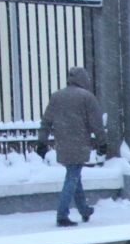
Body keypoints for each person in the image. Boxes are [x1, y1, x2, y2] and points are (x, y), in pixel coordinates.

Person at [37, 67, 104, 228]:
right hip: (80, 143)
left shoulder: (56, 97)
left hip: (63, 143)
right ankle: (62, 214)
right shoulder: (87, 98)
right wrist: (102, 143)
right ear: (84, 80)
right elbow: (97, 124)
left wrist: (42, 142)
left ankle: (84, 210)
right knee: (72, 177)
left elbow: (46, 121)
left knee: (74, 176)